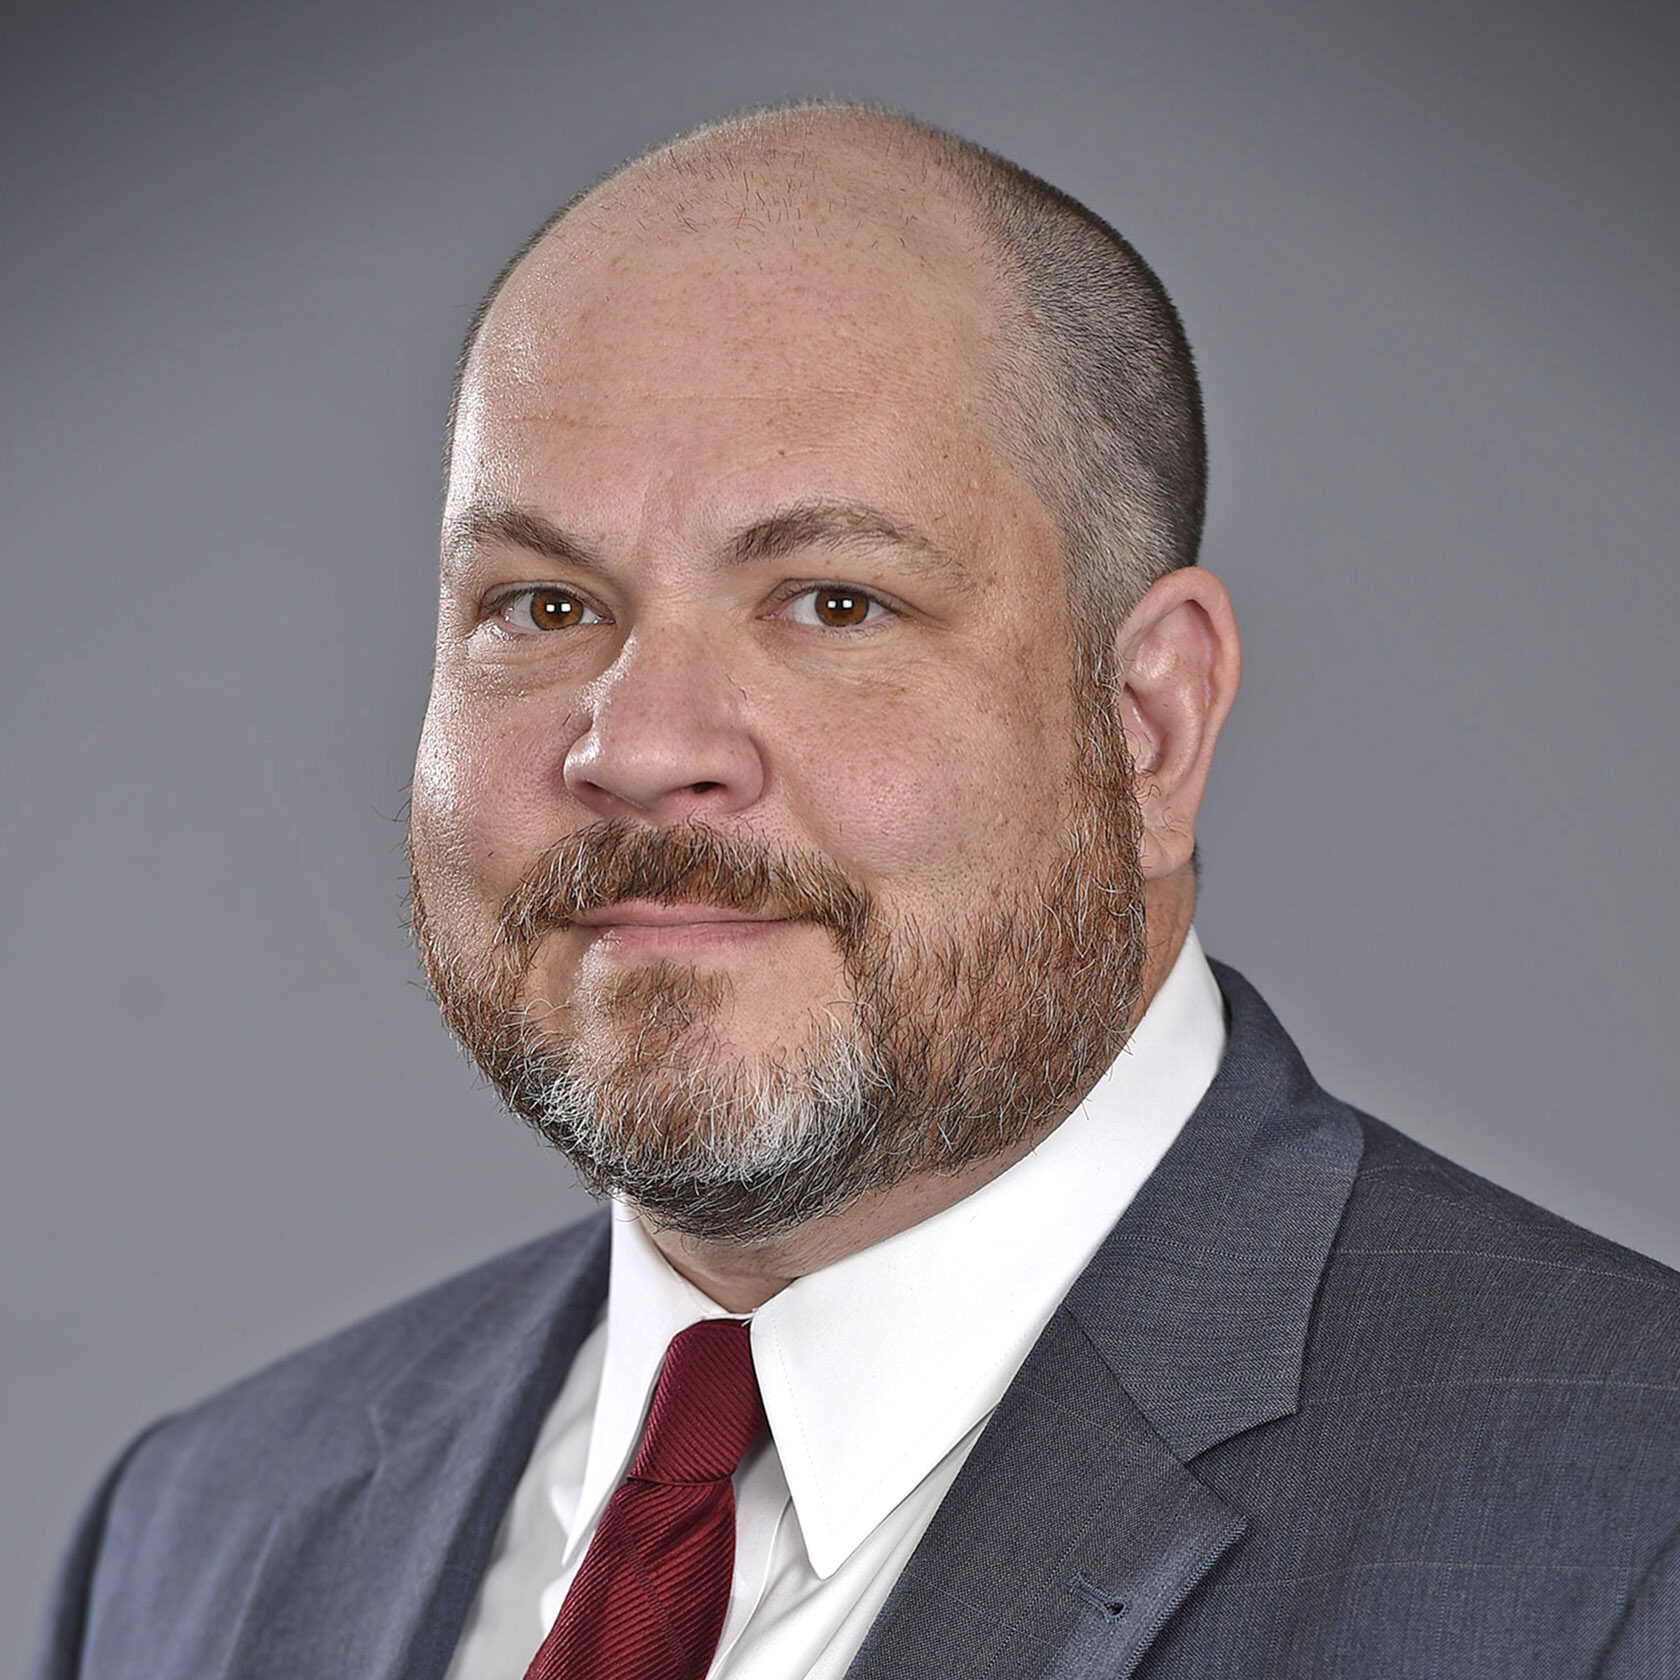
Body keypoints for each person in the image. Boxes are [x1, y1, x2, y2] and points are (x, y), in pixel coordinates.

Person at [34, 102, 1680, 1680]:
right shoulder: (203, 1534)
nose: (643, 743)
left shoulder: (1625, 1518)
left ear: (1148, 727)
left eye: (833, 602)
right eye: (541, 607)